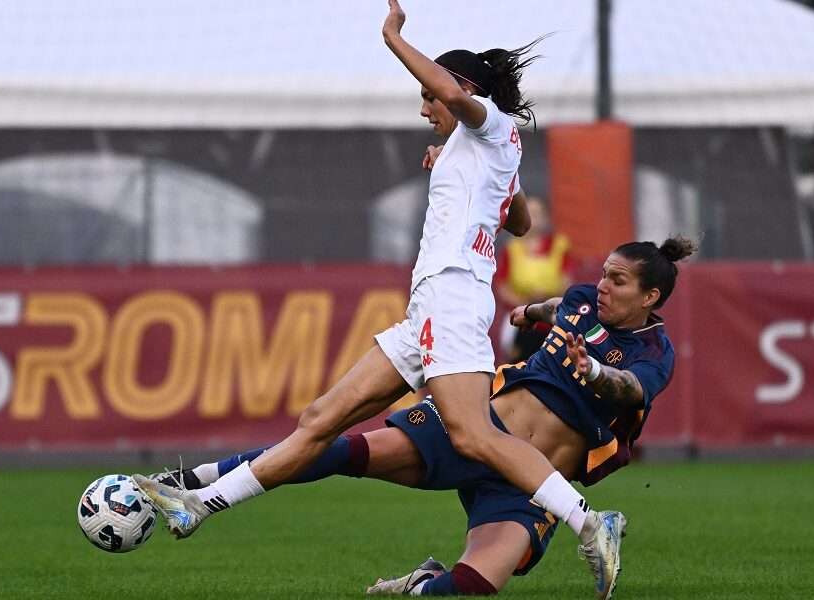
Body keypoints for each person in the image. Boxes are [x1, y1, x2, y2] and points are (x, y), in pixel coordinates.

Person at [133, 0, 621, 593]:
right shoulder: (490, 145)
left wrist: (393, 39)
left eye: (429, 98)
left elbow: (458, 103)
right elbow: (516, 220)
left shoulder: (488, 120)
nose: (424, 107)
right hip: (426, 312)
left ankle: (590, 521)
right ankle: (201, 504)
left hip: (454, 298)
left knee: (473, 436)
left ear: (461, 89)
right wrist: (458, 166)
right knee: (319, 419)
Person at [147, 237, 698, 597]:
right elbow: (563, 306)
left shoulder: (656, 353)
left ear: (650, 296)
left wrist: (595, 374)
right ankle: (191, 483)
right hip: (474, 428)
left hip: (532, 488)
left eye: (618, 281)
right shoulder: (581, 299)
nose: (602, 284)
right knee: (343, 451)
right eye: (604, 273)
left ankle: (420, 586)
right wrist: (531, 312)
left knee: (470, 586)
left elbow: (628, 388)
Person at [494, 195, 573, 363]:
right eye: (529, 213)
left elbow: (567, 281)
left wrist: (545, 300)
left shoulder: (559, 245)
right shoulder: (512, 248)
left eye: (538, 214)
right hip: (519, 319)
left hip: (552, 318)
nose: (533, 218)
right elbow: (503, 286)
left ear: (546, 218)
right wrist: (526, 305)